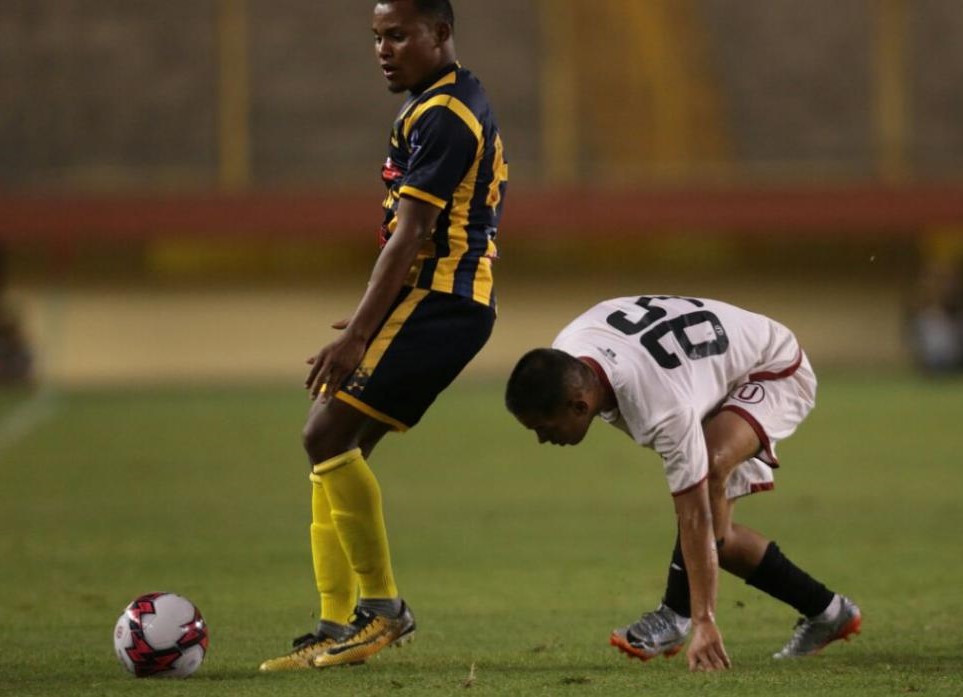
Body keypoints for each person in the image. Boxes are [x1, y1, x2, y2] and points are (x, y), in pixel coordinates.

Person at [260, 0, 507, 671]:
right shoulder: (434, 102)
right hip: (430, 299)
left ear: (441, 33)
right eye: (377, 37)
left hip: (444, 300)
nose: (383, 50)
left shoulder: (447, 114)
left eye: (398, 35)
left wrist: (360, 333)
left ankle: (382, 609)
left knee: (324, 435)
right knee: (335, 447)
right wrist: (375, 315)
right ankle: (335, 623)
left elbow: (412, 233)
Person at [505, 295, 861, 672]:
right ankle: (829, 611)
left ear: (579, 406)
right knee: (717, 540)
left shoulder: (660, 405)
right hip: (701, 370)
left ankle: (675, 616)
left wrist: (704, 619)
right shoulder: (569, 353)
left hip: (770, 368)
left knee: (709, 470)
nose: (541, 439)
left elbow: (694, 514)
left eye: (543, 427)